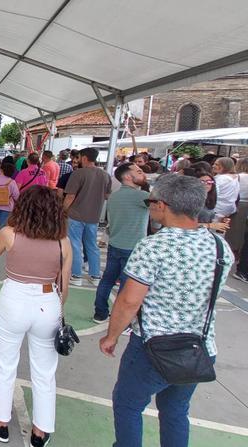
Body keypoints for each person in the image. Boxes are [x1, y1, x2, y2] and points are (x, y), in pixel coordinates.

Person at [99, 174, 233, 446]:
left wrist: (111, 336)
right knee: (175, 411)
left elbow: (129, 300)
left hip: (153, 348)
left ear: (162, 205)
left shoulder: (154, 246)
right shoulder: (220, 246)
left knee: (127, 404)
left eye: (151, 201)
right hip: (199, 347)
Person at [0, 186, 71, 447]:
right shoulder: (62, 241)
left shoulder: (10, 233)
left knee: (5, 362)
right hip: (48, 300)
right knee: (45, 371)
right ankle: (40, 431)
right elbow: (63, 286)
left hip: (14, 298)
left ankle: (0, 421)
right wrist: (56, 309)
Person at [92, 163, 149, 324]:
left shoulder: (114, 196)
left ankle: (100, 312)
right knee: (127, 287)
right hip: (133, 248)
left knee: (107, 280)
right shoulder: (141, 197)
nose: (143, 174)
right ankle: (122, 321)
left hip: (115, 244)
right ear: (127, 177)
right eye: (138, 171)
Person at [64, 148, 111, 286]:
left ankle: (76, 275)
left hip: (76, 214)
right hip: (94, 216)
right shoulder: (105, 175)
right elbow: (107, 196)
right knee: (92, 245)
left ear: (84, 158)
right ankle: (95, 275)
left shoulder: (78, 174)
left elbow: (70, 196)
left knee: (75, 244)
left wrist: (62, 210)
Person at [212, 157, 239, 224]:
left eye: (217, 164)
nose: (213, 166)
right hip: (230, 209)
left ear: (225, 166)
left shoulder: (221, 179)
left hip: (217, 210)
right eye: (214, 164)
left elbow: (212, 194)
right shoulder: (235, 177)